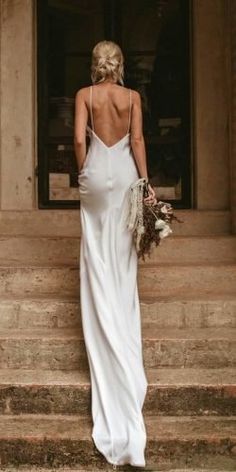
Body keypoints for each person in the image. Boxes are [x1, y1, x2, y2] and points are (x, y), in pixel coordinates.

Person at [74, 40, 156, 468]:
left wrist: (85, 171)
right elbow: (138, 140)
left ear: (95, 65)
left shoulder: (85, 96)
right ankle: (120, 322)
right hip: (124, 175)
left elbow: (77, 140)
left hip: (95, 178)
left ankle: (101, 315)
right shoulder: (132, 98)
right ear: (119, 65)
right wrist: (147, 185)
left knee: (96, 253)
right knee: (122, 258)